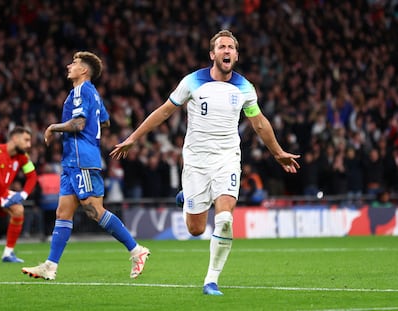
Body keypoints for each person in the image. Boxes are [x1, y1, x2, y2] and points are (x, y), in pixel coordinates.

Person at [110, 30, 300, 295]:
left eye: (231, 47)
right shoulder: (192, 81)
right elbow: (164, 111)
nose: (226, 51)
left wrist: (278, 152)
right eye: (221, 46)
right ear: (213, 54)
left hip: (228, 159)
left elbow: (259, 123)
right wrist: (133, 138)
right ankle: (186, 196)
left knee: (224, 220)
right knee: (196, 229)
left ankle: (211, 280)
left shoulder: (244, 87)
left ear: (236, 55)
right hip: (197, 161)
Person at [22, 51, 150, 280]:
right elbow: (105, 120)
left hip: (82, 159)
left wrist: (53, 127)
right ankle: (50, 266)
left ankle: (136, 250)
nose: (69, 65)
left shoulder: (82, 90)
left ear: (84, 70)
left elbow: (79, 124)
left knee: (93, 210)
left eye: (74, 63)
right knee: (63, 212)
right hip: (72, 160)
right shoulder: (91, 93)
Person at [0, 126, 37, 262]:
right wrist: (0, 201)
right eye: (26, 140)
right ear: (14, 138)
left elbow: (32, 176)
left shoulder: (22, 157)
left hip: (1, 193)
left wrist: (23, 195)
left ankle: (8, 253)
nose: (29, 145)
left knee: (18, 210)